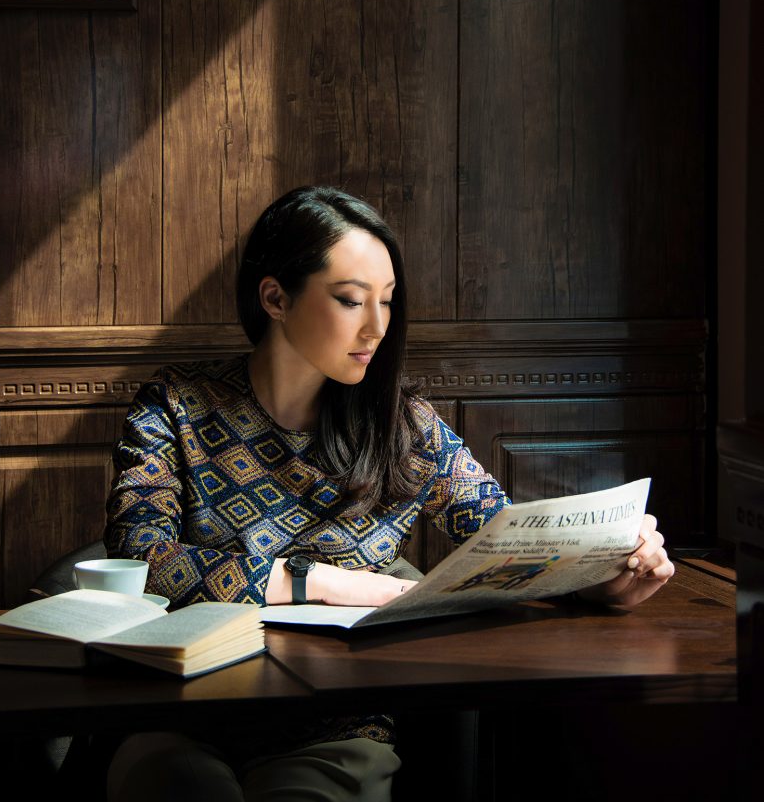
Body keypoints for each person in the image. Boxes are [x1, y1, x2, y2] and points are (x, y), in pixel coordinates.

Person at [104, 185, 674, 801]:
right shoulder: (176, 405)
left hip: (336, 724)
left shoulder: (402, 427)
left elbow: (510, 541)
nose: (376, 327)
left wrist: (608, 574)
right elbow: (142, 561)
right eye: (350, 301)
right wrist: (320, 582)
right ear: (274, 297)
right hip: (181, 709)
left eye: (387, 302)